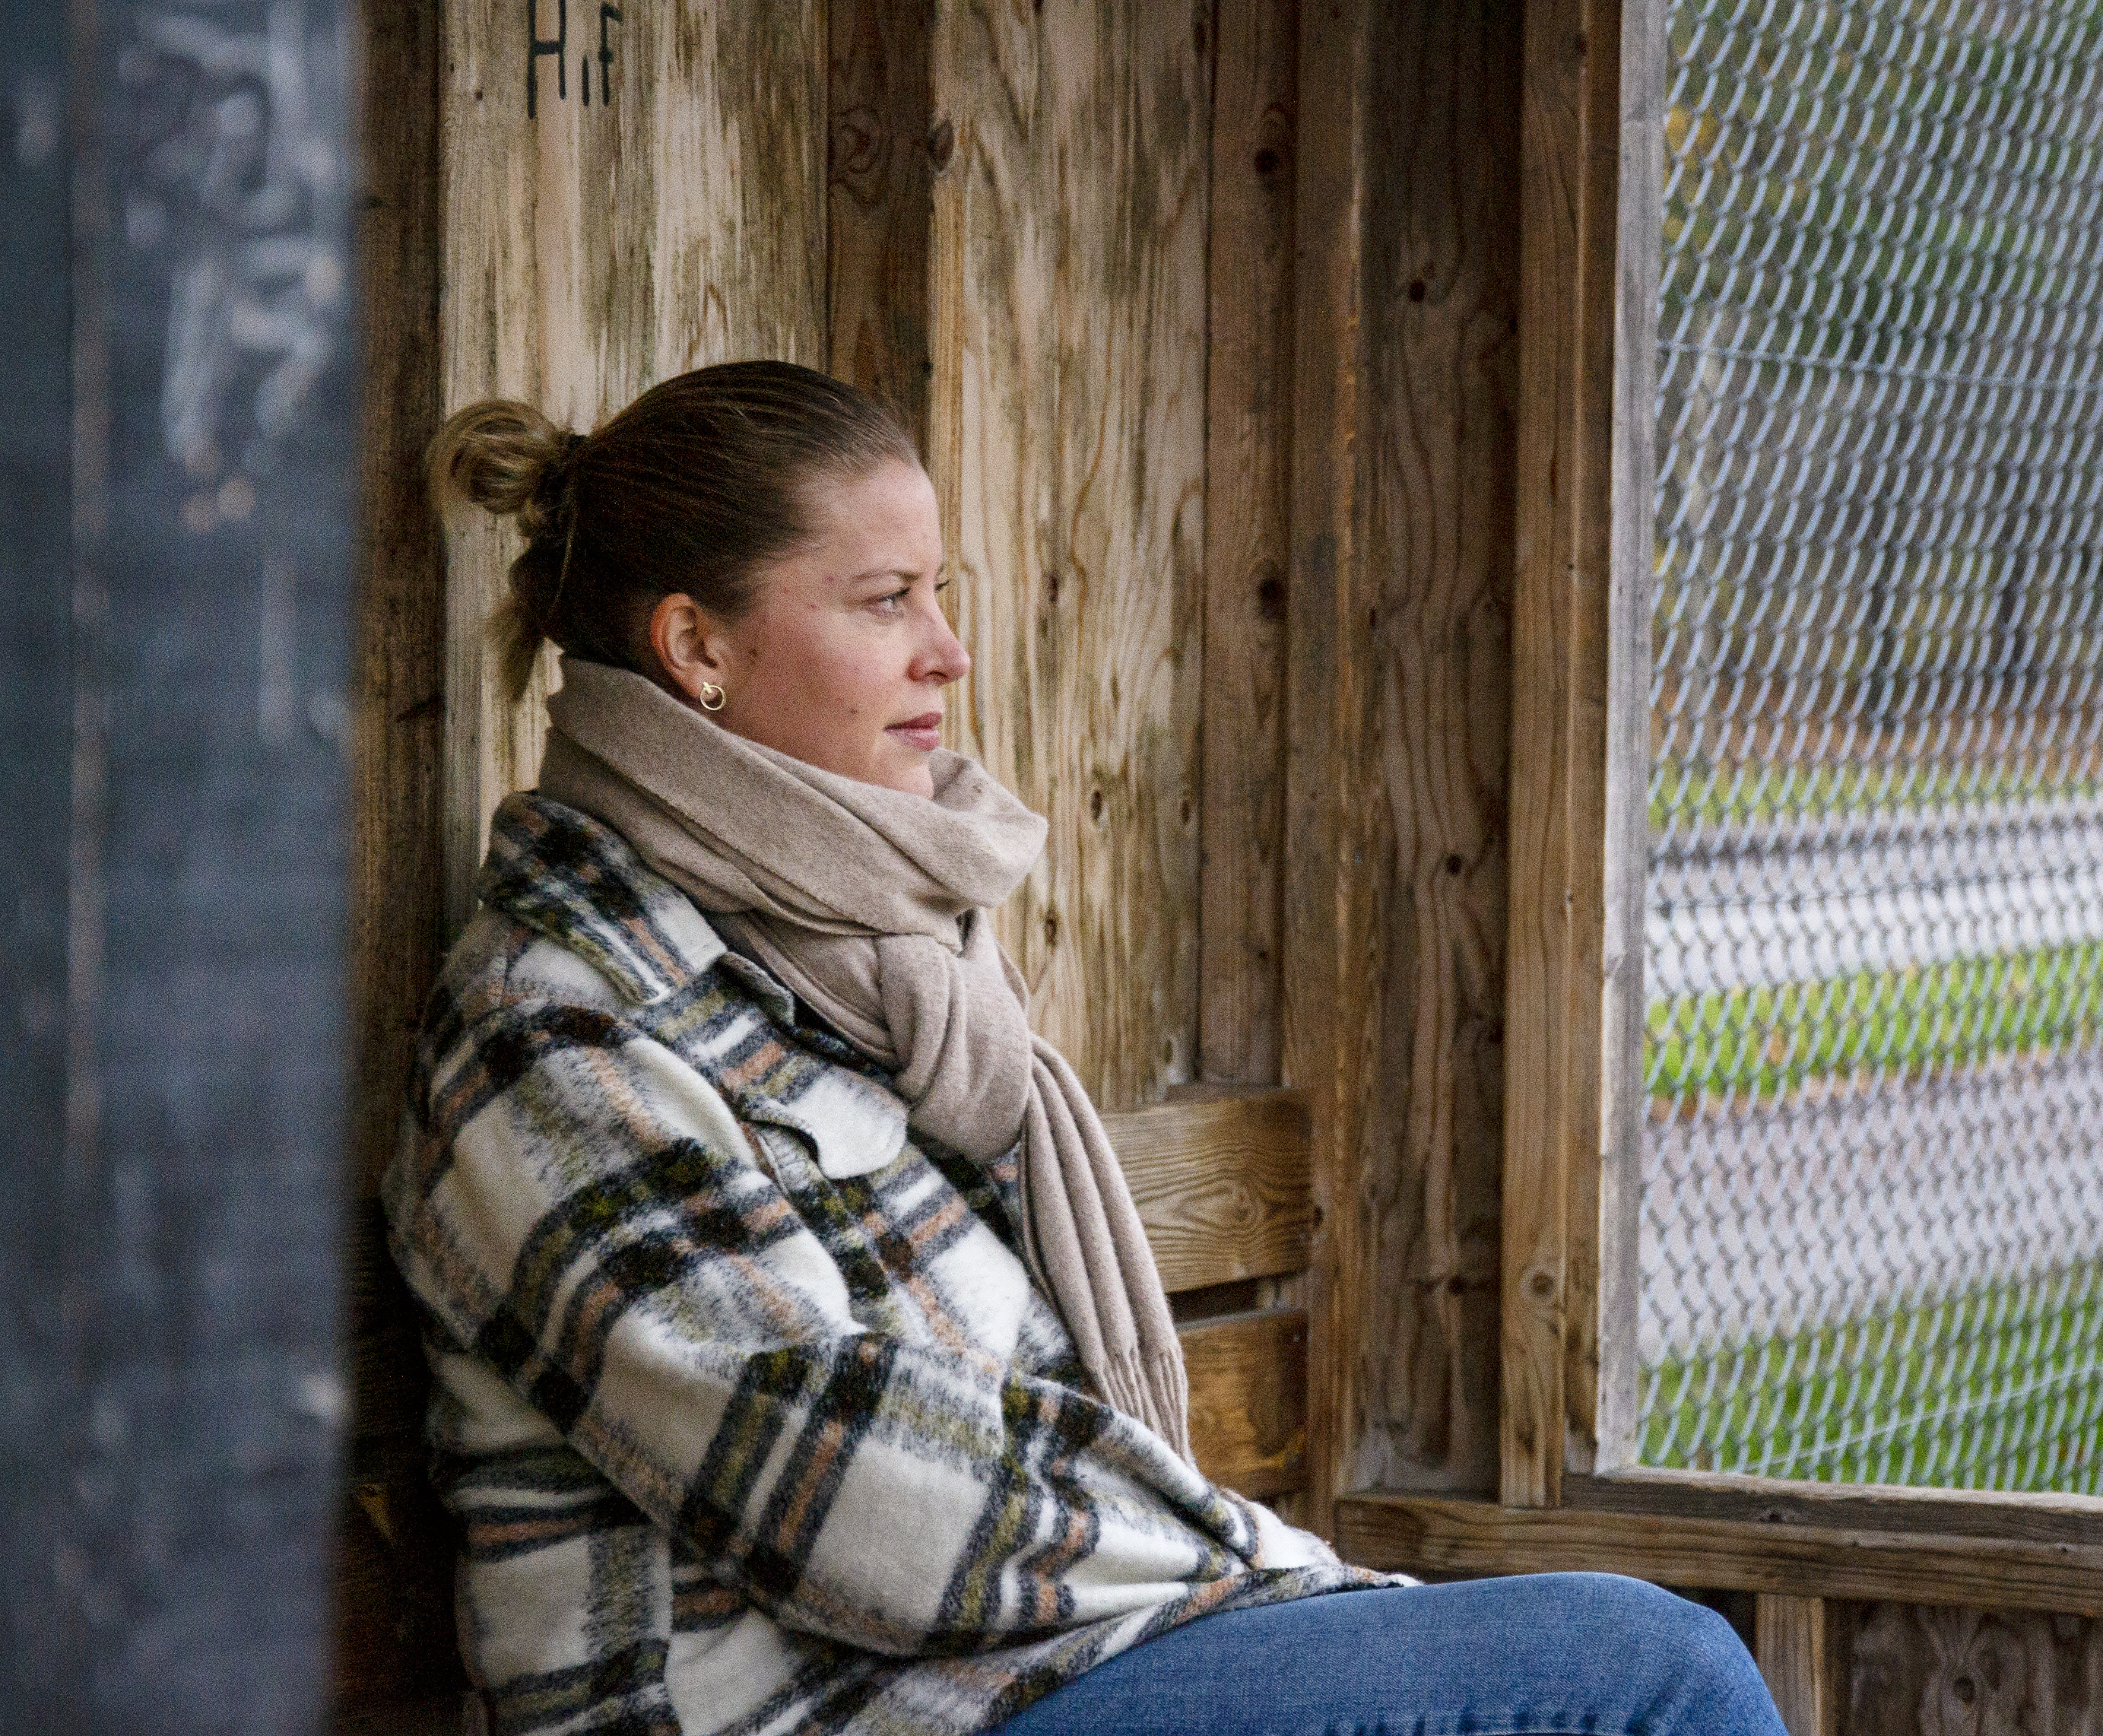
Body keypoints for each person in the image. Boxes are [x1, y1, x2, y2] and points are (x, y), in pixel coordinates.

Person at [391, 359, 1785, 1736]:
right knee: (1648, 1671)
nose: (948, 649)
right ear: (695, 648)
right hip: (836, 1711)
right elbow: (836, 1482)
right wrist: (1263, 1567)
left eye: (941, 593)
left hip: (1030, 1667)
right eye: (886, 600)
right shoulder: (557, 1030)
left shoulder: (855, 952)